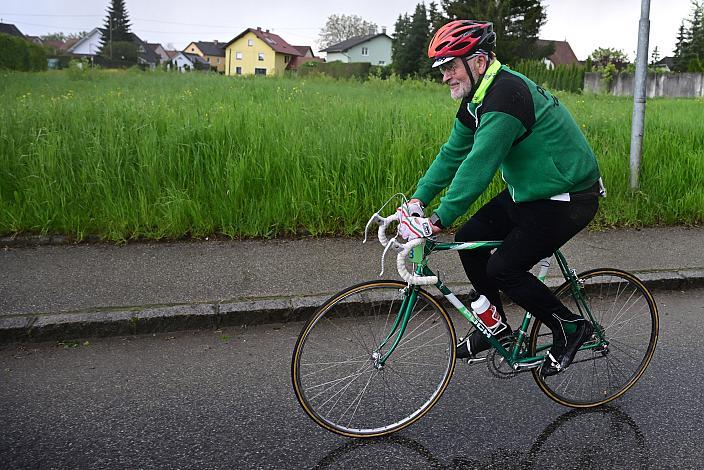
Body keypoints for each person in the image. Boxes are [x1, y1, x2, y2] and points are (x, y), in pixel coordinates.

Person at [406, 20, 604, 377]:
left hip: (569, 197)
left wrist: (438, 219)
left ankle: (571, 328)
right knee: (470, 241)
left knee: (504, 269)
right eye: (442, 69)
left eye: (450, 66)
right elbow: (453, 153)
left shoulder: (507, 95)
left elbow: (478, 165)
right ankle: (495, 326)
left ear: (478, 62)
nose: (445, 76)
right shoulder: (478, 97)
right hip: (529, 191)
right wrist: (418, 201)